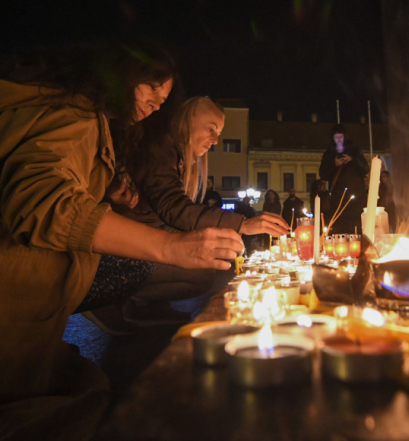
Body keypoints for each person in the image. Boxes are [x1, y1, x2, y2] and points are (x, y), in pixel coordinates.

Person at [0, 43, 245, 440]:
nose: (154, 103)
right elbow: (42, 203)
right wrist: (173, 247)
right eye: (150, 87)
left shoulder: (91, 122)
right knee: (91, 400)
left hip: (40, 302)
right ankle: (117, 307)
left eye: (163, 99)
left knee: (89, 386)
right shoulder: (75, 114)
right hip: (18, 299)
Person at [109, 96, 289, 320]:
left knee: (205, 268)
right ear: (187, 120)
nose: (215, 140)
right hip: (123, 248)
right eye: (211, 129)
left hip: (142, 241)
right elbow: (174, 208)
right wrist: (242, 223)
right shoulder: (160, 146)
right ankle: (115, 300)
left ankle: (146, 303)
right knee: (201, 273)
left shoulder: (179, 157)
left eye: (219, 134)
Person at [319, 124, 369, 234]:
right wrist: (334, 164)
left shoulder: (354, 150)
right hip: (338, 197)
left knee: (356, 226)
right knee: (340, 227)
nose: (339, 140)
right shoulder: (329, 153)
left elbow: (365, 169)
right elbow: (323, 174)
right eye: (336, 137)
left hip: (356, 196)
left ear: (345, 137)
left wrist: (352, 160)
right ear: (332, 138)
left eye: (340, 137)